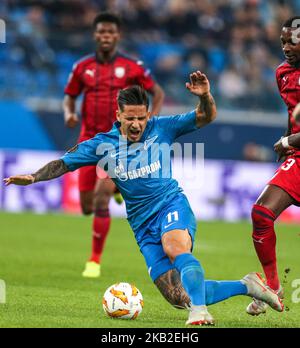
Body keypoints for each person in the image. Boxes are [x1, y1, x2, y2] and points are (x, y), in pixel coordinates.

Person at [4, 71, 283, 325]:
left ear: (148, 115)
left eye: (141, 117)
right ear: (119, 115)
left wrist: (206, 97)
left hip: (170, 205)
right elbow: (64, 163)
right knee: (177, 296)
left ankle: (200, 312)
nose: (136, 124)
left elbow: (205, 116)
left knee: (176, 248)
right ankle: (247, 285)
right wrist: (33, 177)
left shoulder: (162, 128)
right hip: (141, 225)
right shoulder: (103, 144)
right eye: (130, 118)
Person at [63, 12, 165, 278]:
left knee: (99, 200)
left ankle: (94, 261)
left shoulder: (132, 67)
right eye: (101, 32)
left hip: (118, 143)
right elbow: (69, 96)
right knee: (86, 206)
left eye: (111, 32)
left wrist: (148, 123)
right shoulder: (81, 67)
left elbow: (158, 93)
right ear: (95, 35)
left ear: (117, 36)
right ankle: (119, 189)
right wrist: (69, 113)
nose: (106, 37)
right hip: (88, 140)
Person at [246, 16, 300, 316]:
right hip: (299, 157)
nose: (285, 47)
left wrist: (290, 140)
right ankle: (273, 286)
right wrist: (288, 139)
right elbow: (294, 114)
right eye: (282, 41)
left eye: (291, 41)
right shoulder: (282, 73)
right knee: (261, 213)